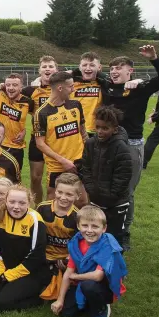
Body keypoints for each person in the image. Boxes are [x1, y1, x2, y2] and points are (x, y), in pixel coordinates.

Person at [90, 45, 159, 250]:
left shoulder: (140, 89)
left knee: (126, 191)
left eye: (120, 68)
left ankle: (124, 232)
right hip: (106, 144)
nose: (115, 71)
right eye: (113, 68)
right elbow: (86, 70)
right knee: (103, 185)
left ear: (130, 71)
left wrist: (154, 58)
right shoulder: (107, 85)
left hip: (131, 145)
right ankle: (102, 227)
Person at [0, 185, 50, 312]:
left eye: (22, 203)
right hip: (6, 266)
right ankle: (8, 288)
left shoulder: (35, 220)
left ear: (29, 203)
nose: (16, 207)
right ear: (6, 201)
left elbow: (37, 256)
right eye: (12, 202)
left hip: (31, 271)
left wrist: (10, 275)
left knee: (2, 304)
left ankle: (39, 297)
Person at [51, 205, 127, 317]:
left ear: (104, 228)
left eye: (95, 226)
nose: (89, 230)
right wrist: (60, 300)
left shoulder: (107, 245)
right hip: (83, 281)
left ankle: (102, 309)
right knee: (67, 314)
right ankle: (88, 302)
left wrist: (75, 276)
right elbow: (68, 273)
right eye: (85, 226)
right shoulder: (76, 243)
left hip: (103, 285)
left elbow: (97, 276)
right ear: (78, 226)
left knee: (89, 285)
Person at [80, 106, 132, 246]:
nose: (100, 131)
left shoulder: (121, 148)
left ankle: (114, 266)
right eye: (97, 127)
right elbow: (86, 169)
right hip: (96, 200)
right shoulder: (90, 143)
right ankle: (96, 265)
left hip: (116, 203)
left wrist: (110, 198)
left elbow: (123, 177)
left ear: (115, 129)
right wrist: (91, 190)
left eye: (105, 128)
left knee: (114, 238)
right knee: (95, 236)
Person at [33, 71, 88, 202]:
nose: (73, 89)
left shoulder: (75, 105)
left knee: (83, 201)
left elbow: (83, 133)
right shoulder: (42, 113)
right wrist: (63, 161)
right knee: (54, 201)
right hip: (57, 166)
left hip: (79, 161)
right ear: (60, 88)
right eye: (70, 86)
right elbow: (40, 143)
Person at [37, 173, 81, 302]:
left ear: (78, 196)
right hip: (42, 257)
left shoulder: (77, 217)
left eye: (69, 194)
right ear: (55, 191)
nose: (63, 197)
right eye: (60, 192)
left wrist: (69, 260)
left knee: (68, 294)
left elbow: (79, 245)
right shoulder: (42, 208)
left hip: (64, 262)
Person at [23, 55, 58, 204]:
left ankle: (54, 209)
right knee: (36, 178)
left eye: (51, 66)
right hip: (37, 139)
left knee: (56, 179)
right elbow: (13, 97)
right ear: (39, 70)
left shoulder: (62, 87)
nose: (47, 69)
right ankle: (37, 208)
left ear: (56, 70)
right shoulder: (31, 90)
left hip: (58, 140)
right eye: (44, 67)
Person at [0, 73, 34, 168]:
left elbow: (37, 117)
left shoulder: (28, 102)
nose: (10, 88)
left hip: (16, 146)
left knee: (14, 180)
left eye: (15, 85)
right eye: (8, 85)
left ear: (21, 87)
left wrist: (25, 130)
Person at [71, 52, 104, 136]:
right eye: (84, 65)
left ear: (99, 67)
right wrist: (38, 79)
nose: (88, 68)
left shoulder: (105, 83)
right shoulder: (70, 83)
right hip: (73, 130)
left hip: (96, 131)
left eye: (92, 65)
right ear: (79, 67)